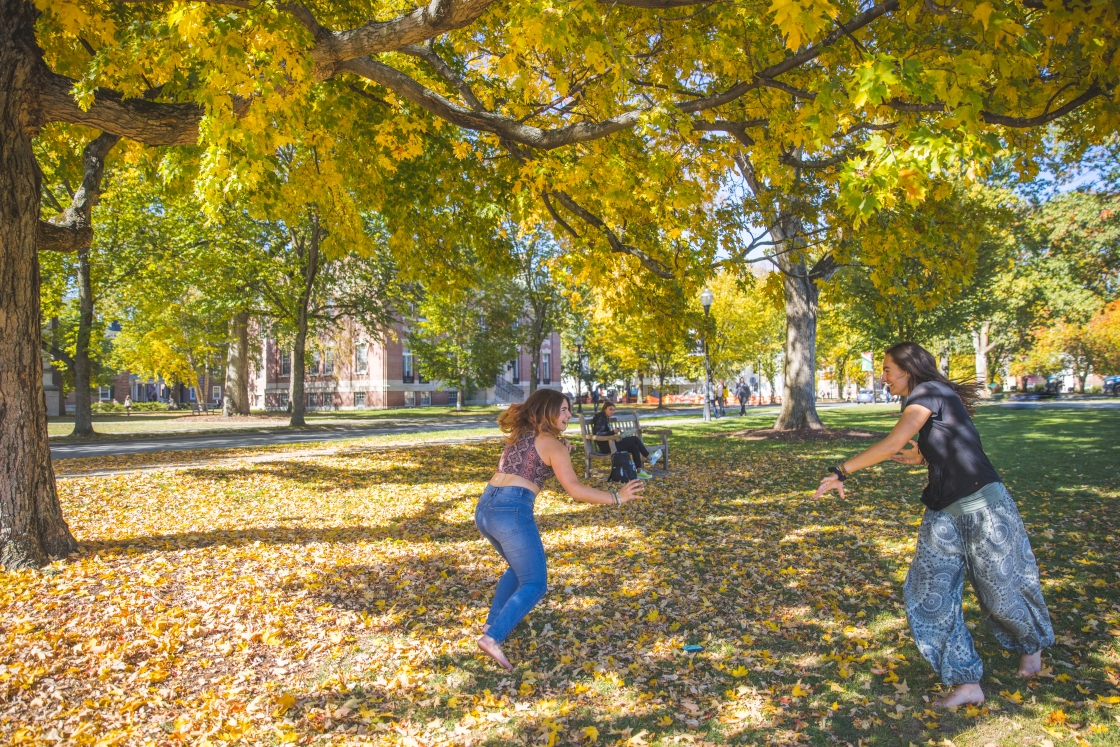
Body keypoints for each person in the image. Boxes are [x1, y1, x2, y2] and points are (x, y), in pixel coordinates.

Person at [812, 342, 1053, 708]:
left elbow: (895, 439)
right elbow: (945, 435)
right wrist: (921, 454)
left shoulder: (928, 391)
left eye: (888, 369)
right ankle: (966, 681)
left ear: (908, 370)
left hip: (984, 506)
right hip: (943, 511)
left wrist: (841, 470)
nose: (883, 377)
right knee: (927, 594)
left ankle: (1031, 651)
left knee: (1001, 591)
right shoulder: (931, 397)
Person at [476, 389, 645, 670]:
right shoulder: (551, 444)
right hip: (511, 510)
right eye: (563, 410)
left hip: (485, 508)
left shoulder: (522, 436)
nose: (568, 415)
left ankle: (492, 622)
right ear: (548, 412)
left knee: (518, 570)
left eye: (568, 409)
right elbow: (575, 489)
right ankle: (493, 637)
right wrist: (617, 497)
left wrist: (561, 450)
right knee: (535, 583)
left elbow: (529, 467)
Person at [591, 401, 662, 479]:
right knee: (635, 439)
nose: (612, 412)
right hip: (606, 447)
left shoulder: (604, 418)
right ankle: (650, 458)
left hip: (610, 443)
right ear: (605, 409)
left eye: (613, 410)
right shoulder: (601, 418)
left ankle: (639, 471)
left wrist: (615, 434)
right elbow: (598, 434)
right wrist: (613, 432)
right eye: (610, 409)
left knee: (635, 446)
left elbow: (604, 433)